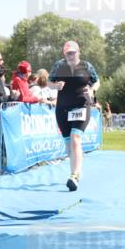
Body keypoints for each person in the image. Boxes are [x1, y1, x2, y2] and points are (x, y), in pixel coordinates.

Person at [49, 40, 99, 191]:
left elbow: (96, 81)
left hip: (81, 106)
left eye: (72, 52)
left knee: (75, 138)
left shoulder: (86, 66)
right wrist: (55, 86)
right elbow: (49, 82)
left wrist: (92, 90)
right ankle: (76, 172)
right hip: (62, 109)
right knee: (68, 145)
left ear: (79, 52)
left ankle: (74, 175)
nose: (70, 55)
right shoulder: (59, 66)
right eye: (67, 53)